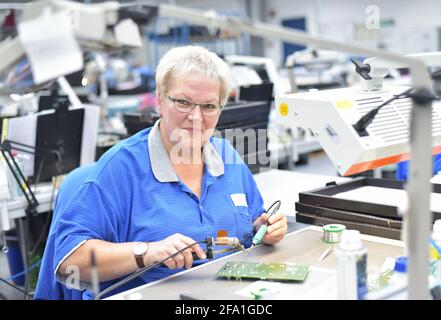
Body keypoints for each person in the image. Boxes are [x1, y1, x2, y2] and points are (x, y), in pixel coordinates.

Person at [35, 45, 287, 299]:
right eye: (184, 102)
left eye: (209, 106)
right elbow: (68, 263)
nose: (197, 117)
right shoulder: (120, 168)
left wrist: (264, 228)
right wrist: (146, 252)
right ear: (159, 101)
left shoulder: (227, 156)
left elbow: (254, 221)